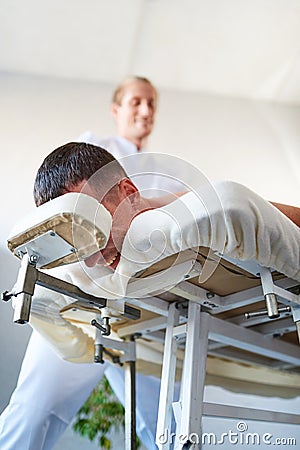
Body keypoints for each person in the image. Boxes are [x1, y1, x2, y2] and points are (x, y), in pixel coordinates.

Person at [0, 76, 168, 450]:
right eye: (136, 102)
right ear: (116, 110)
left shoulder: (157, 169)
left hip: (142, 305)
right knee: (35, 412)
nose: (146, 110)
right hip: (80, 298)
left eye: (152, 103)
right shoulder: (94, 149)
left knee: (162, 425)